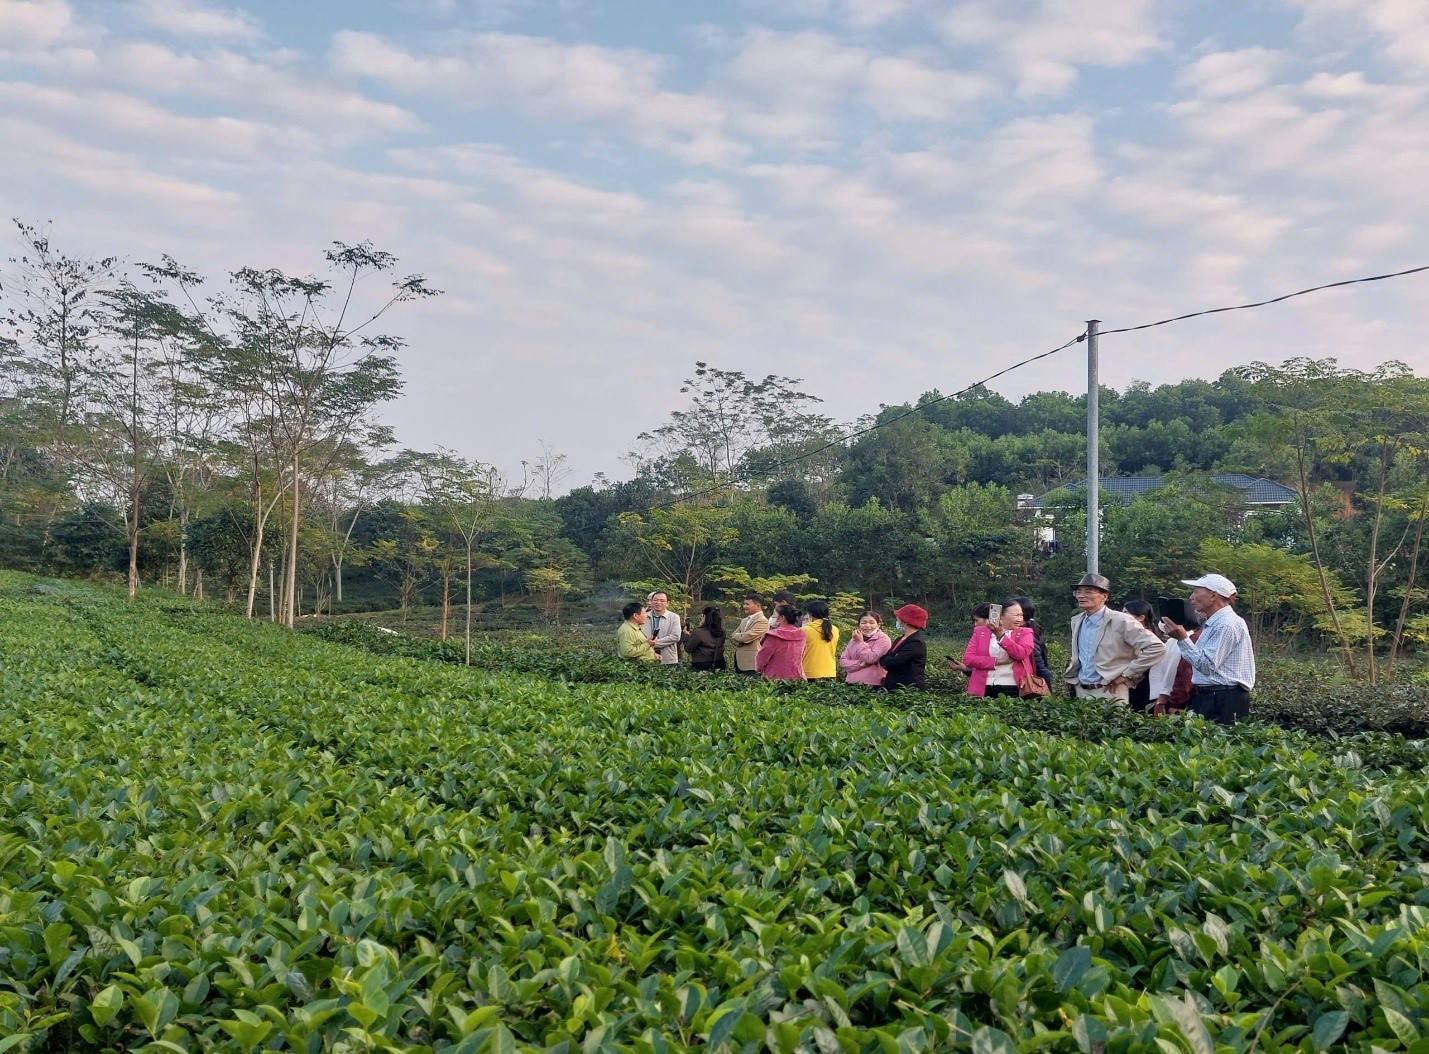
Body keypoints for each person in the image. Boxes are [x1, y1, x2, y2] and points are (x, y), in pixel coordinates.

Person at [1159, 573, 1255, 725]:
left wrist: (1182, 639)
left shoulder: (1226, 624)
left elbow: (1207, 665)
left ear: (1213, 596)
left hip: (1223, 698)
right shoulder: (1214, 622)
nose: (1191, 597)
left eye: (1196, 591)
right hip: (1212, 695)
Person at [1064, 573, 1165, 702]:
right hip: (1081, 691)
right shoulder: (1077, 621)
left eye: (1088, 591)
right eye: (1078, 592)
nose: (1081, 596)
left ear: (1104, 596)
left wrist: (1127, 674)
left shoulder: (1121, 620)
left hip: (1110, 691)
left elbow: (1156, 647)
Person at [1124, 599, 1181, 714]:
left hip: (1144, 686)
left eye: (1126, 613)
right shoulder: (1133, 635)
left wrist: (1132, 675)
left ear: (1141, 617)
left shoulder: (1149, 639)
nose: (1122, 617)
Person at [879, 603, 928, 691]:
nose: (897, 620)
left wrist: (886, 661)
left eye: (898, 618)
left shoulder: (916, 642)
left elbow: (893, 663)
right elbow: (887, 658)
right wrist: (886, 660)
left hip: (908, 689)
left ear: (905, 622)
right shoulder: (900, 639)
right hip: (894, 686)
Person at [1010, 595, 1055, 686]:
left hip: (1028, 685)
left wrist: (1046, 689)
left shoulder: (1027, 636)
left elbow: (1038, 665)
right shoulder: (1026, 632)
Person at [756, 604, 807, 681]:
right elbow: (802, 655)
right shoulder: (801, 635)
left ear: (782, 618)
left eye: (774, 615)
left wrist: (758, 669)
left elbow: (762, 657)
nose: (772, 617)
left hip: (774, 678)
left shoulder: (773, 636)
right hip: (797, 677)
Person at [839, 612, 891, 686]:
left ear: (878, 625)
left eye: (871, 623)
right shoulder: (854, 640)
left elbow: (871, 658)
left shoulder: (883, 639)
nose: (867, 625)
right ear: (859, 625)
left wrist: (860, 642)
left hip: (872, 684)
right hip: (851, 683)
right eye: (863, 623)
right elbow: (843, 662)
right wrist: (860, 664)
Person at [729, 593, 770, 675]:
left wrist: (738, 637)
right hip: (739, 662)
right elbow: (732, 637)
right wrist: (740, 639)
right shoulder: (744, 620)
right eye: (744, 604)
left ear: (757, 605)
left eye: (747, 604)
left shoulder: (763, 621)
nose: (744, 606)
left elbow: (746, 637)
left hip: (752, 663)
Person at [801, 599, 840, 680]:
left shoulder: (805, 630)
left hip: (809, 672)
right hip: (830, 672)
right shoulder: (835, 630)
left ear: (810, 614)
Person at [642, 591, 683, 664]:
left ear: (667, 603)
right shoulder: (644, 616)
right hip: (646, 657)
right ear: (651, 602)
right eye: (655, 600)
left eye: (662, 600)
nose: (658, 602)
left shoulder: (674, 617)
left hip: (668, 658)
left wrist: (653, 644)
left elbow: (675, 636)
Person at [682, 606, 726, 672]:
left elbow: (688, 648)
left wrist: (686, 636)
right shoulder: (722, 632)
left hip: (701, 665)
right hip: (719, 663)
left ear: (705, 617)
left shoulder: (698, 632)